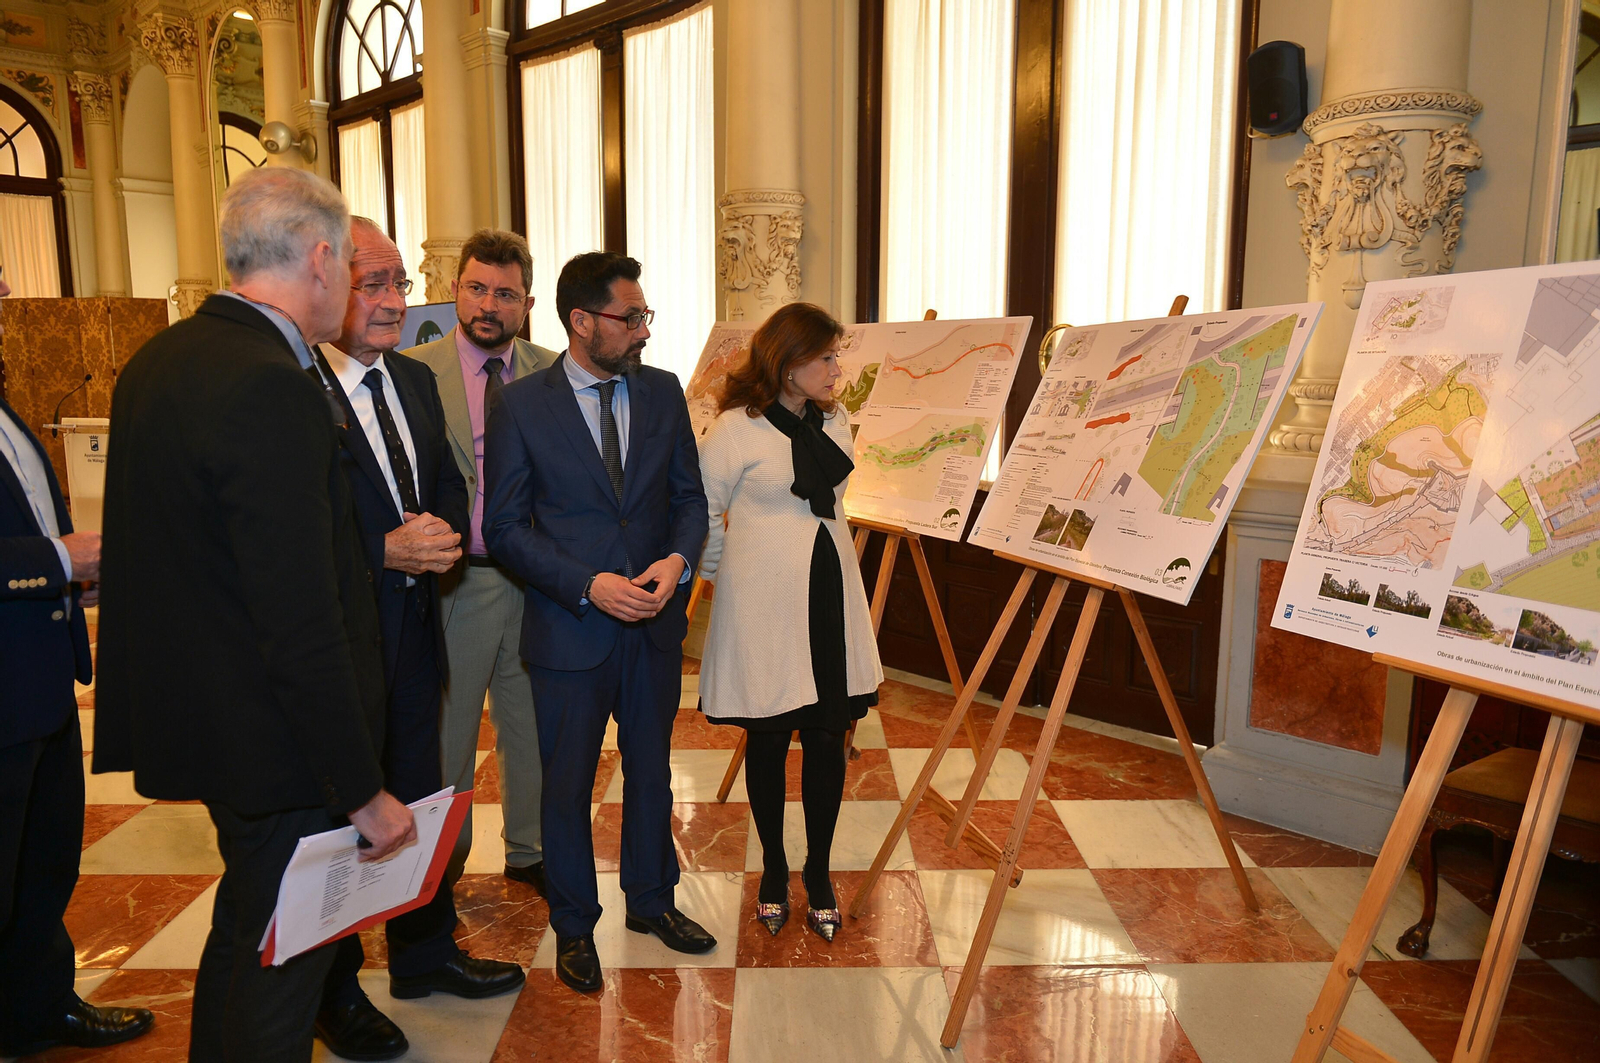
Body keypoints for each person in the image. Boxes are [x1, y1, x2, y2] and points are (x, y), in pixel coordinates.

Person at [94, 167, 417, 1063]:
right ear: (320, 258)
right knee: (283, 968)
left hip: (210, 723)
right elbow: (298, 609)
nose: (356, 286)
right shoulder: (274, 381)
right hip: (283, 748)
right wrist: (360, 786)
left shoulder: (163, 359)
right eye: (351, 265)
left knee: (247, 937)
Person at [310, 217, 523, 1061]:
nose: (397, 302)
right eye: (376, 283)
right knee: (338, 818)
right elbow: (290, 533)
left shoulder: (411, 379)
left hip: (414, 634)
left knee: (419, 797)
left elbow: (438, 480)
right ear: (327, 284)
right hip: (334, 645)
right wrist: (382, 548)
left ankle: (424, 954)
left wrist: (435, 534)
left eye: (402, 282)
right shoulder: (293, 388)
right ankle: (332, 992)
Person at [483, 251, 711, 994]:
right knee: (567, 784)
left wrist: (677, 563)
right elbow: (507, 526)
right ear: (582, 323)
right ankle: (574, 926)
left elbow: (689, 500)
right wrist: (588, 584)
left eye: (646, 315)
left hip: (652, 626)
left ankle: (651, 901)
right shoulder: (520, 405)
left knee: (652, 772)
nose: (644, 330)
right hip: (569, 629)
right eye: (631, 317)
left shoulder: (663, 392)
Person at [0, 273, 154, 1056]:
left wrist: (76, 572)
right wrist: (53, 557)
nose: (2, 285)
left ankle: (38, 1007)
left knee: (43, 865)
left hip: (41, 688)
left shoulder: (5, 403)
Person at [696, 302, 883, 943]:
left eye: (836, 355)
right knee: (770, 740)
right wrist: (733, 576)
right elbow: (703, 517)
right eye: (827, 357)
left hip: (831, 598)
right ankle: (774, 872)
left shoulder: (838, 423)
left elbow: (831, 512)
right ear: (788, 362)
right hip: (765, 607)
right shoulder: (734, 431)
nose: (837, 369)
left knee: (829, 739)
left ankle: (820, 873)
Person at [406, 229, 557, 894]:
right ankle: (444, 863)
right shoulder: (413, 372)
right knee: (450, 734)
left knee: (532, 723)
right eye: (476, 288)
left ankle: (531, 850)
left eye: (504, 293)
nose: (487, 304)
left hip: (536, 581)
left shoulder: (555, 373)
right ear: (454, 290)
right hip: (453, 584)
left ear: (526, 302)